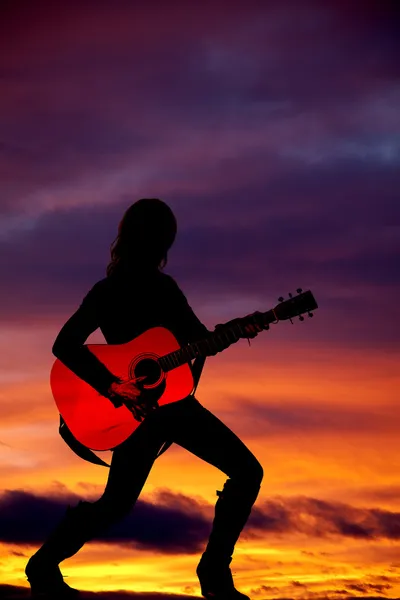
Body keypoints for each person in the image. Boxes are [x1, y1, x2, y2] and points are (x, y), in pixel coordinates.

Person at [25, 198, 264, 599]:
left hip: (175, 405)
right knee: (116, 504)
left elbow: (197, 340)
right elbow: (64, 345)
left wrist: (236, 330)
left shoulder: (164, 288)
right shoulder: (108, 291)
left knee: (246, 472)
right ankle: (43, 565)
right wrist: (111, 385)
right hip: (136, 413)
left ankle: (213, 573)